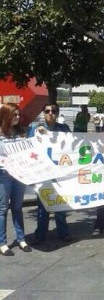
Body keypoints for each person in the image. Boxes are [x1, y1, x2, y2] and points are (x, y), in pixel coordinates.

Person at [29, 103, 73, 244]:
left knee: (60, 205)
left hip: (60, 173)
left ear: (57, 113)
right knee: (43, 207)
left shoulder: (64, 129)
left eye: (54, 111)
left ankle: (63, 233)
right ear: (43, 113)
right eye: (47, 111)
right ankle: (40, 235)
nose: (50, 113)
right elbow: (29, 149)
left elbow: (73, 144)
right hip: (43, 173)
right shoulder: (35, 129)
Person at [0, 103, 31, 256]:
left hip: (19, 175)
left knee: (17, 207)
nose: (18, 117)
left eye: (19, 115)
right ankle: (2, 242)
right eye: (14, 115)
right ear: (6, 115)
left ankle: (21, 239)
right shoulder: (0, 134)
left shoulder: (21, 133)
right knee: (3, 209)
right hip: (4, 175)